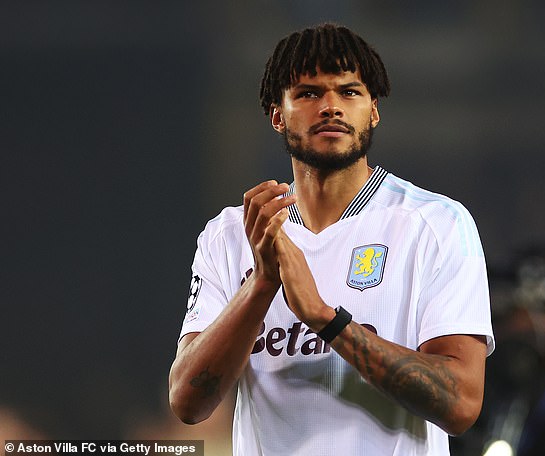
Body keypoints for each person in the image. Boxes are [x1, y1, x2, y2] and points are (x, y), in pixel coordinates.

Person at [169, 23, 495, 455]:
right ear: (276, 114)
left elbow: (462, 403)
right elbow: (188, 402)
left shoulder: (436, 225)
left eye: (349, 92)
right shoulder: (230, 235)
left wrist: (326, 319)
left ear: (373, 110)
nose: (330, 107)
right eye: (308, 93)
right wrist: (262, 284)